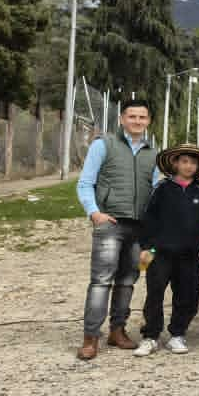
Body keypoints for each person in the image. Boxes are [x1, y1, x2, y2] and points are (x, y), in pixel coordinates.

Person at [75, 99, 159, 360]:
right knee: (101, 281)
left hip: (140, 228)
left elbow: (157, 190)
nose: (137, 121)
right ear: (122, 119)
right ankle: (91, 337)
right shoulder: (104, 145)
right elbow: (85, 182)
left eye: (142, 117)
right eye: (132, 116)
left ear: (148, 122)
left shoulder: (154, 154)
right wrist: (94, 212)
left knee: (128, 281)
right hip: (110, 224)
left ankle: (117, 330)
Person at [134, 144, 199, 357]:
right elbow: (150, 220)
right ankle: (150, 336)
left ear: (198, 167)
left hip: (189, 255)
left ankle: (177, 334)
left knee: (187, 295)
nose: (188, 166)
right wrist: (146, 247)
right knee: (155, 293)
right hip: (160, 252)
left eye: (193, 162)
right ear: (175, 163)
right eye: (184, 161)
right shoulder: (162, 190)